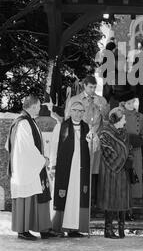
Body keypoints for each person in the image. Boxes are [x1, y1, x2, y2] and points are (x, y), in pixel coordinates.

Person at [6, 95, 54, 240]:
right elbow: (26, 148)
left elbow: (8, 145)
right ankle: (23, 230)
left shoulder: (26, 121)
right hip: (25, 167)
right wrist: (42, 160)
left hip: (29, 166)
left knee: (38, 195)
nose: (40, 108)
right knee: (27, 196)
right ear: (33, 106)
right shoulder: (23, 124)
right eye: (38, 106)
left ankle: (43, 228)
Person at [65, 75, 109, 208]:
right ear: (84, 86)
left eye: (95, 87)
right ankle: (79, 199)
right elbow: (67, 119)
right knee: (80, 168)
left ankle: (93, 201)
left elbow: (107, 120)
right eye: (90, 87)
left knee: (94, 170)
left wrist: (101, 107)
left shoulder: (101, 100)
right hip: (79, 138)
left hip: (96, 140)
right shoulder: (75, 99)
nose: (93, 90)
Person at [49, 101, 91, 237]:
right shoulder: (61, 126)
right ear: (70, 111)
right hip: (65, 168)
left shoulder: (87, 127)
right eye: (75, 110)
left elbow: (92, 148)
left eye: (81, 111)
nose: (78, 114)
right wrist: (53, 166)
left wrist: (93, 141)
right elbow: (54, 147)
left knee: (77, 197)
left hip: (80, 169)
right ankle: (60, 227)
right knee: (64, 196)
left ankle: (75, 228)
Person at [97, 107, 132, 239]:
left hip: (123, 173)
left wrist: (130, 160)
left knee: (122, 199)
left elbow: (130, 149)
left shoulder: (124, 132)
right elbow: (107, 153)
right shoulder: (105, 134)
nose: (125, 121)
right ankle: (108, 230)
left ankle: (121, 229)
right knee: (110, 200)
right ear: (117, 119)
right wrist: (122, 161)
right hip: (110, 172)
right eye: (123, 118)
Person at [122, 91, 143, 201]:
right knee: (122, 179)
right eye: (129, 103)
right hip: (121, 151)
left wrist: (139, 140)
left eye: (133, 102)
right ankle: (121, 208)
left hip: (136, 151)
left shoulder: (141, 117)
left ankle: (131, 207)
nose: (131, 105)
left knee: (134, 177)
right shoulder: (118, 115)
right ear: (123, 103)